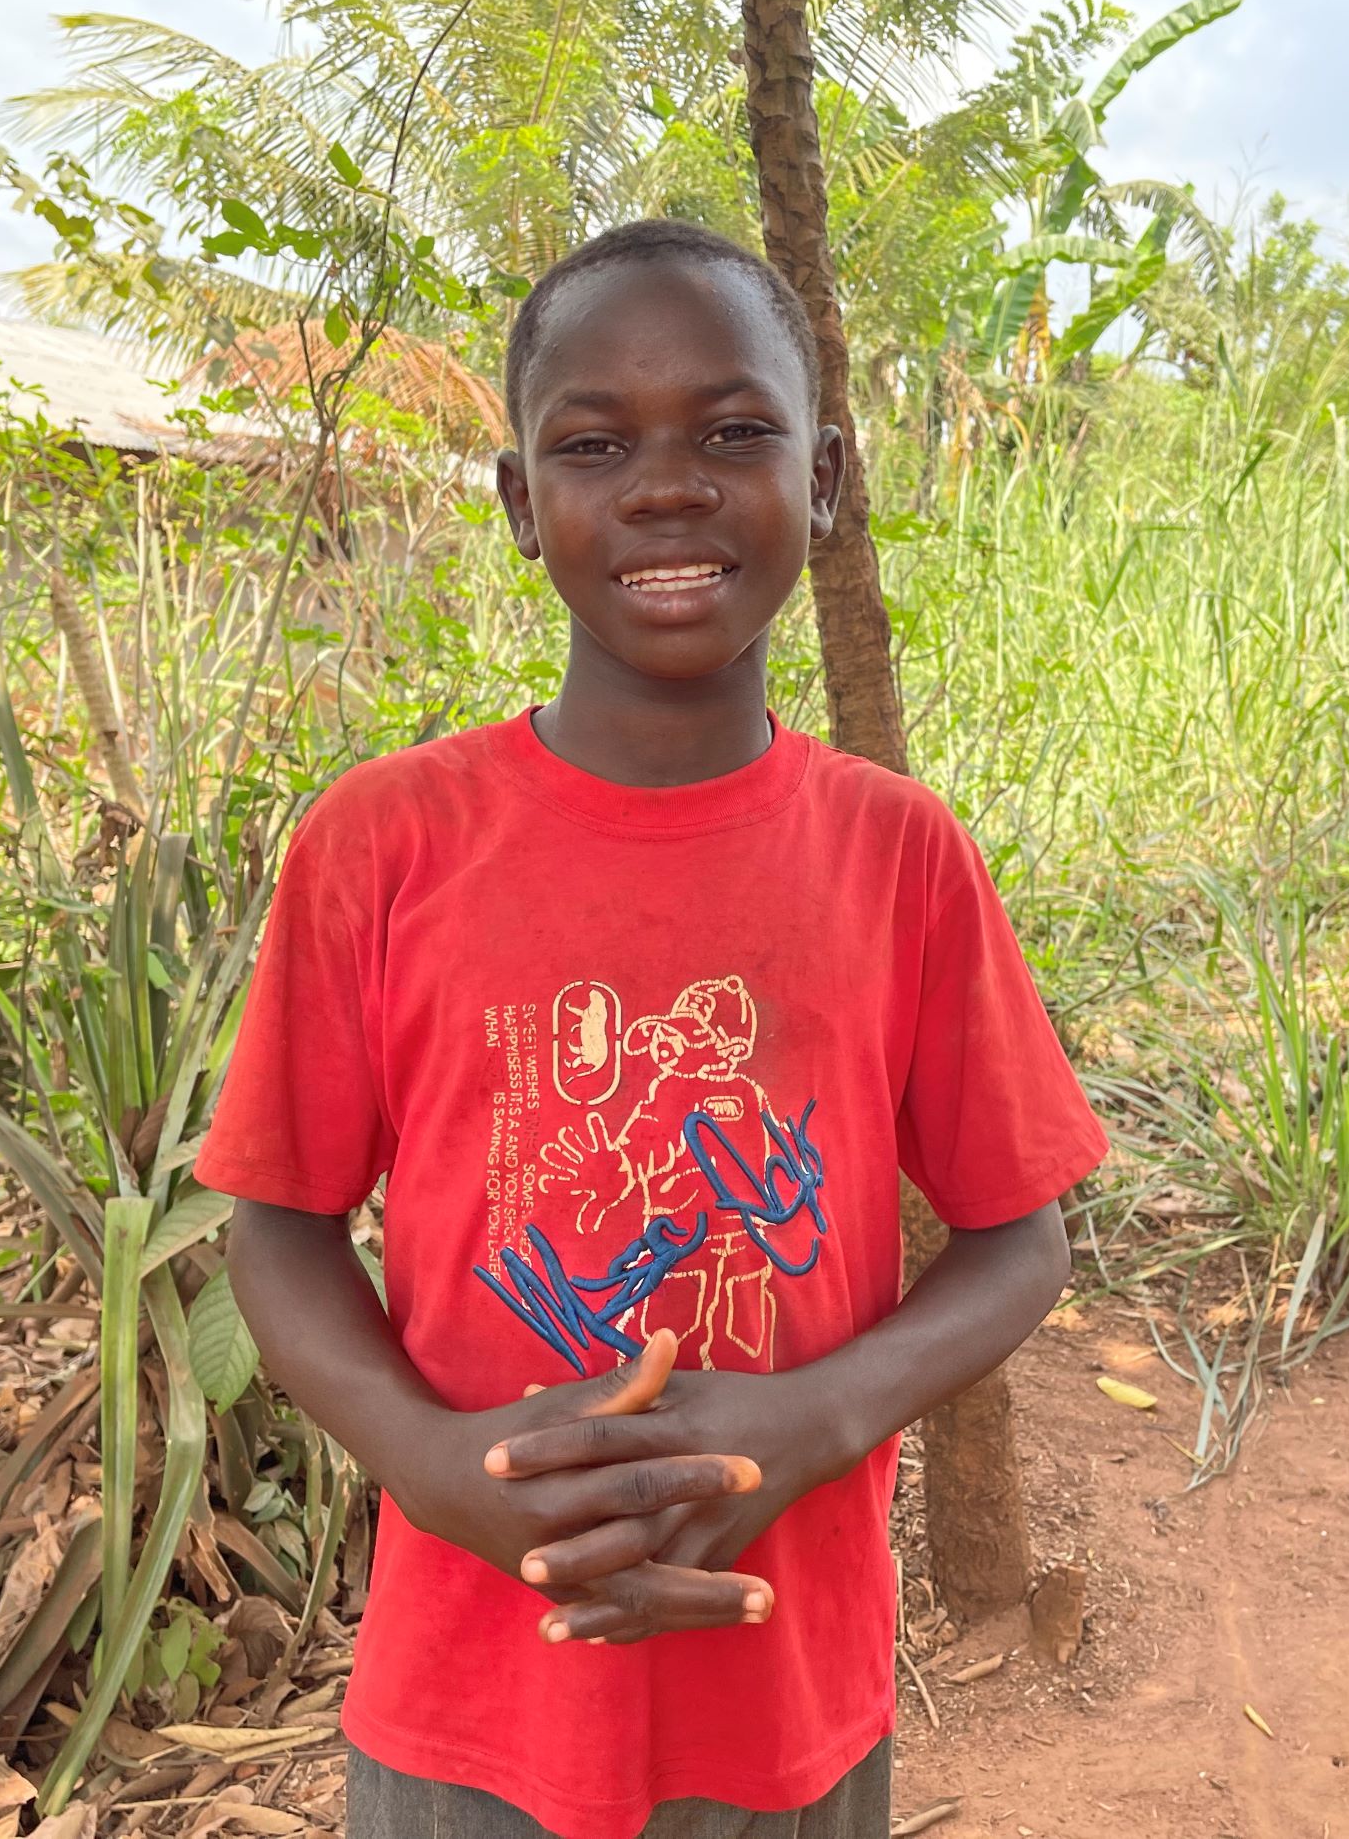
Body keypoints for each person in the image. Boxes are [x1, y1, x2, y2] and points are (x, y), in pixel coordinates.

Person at [202, 218, 1109, 1839]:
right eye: (596, 442)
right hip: (473, 1684)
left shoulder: (899, 855)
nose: (669, 486)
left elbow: (1017, 1237)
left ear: (826, 476)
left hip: (784, 1684)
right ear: (518, 502)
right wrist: (426, 1462)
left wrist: (814, 1419)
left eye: (734, 432)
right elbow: (275, 1219)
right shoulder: (387, 839)